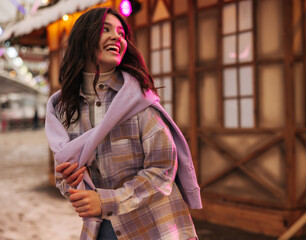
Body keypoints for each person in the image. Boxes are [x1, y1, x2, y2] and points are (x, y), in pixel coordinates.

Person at [45, 7, 202, 240]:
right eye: (105, 29)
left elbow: (162, 170)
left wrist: (106, 200)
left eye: (121, 33)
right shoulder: (63, 109)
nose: (116, 37)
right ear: (82, 38)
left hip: (156, 227)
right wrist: (71, 183)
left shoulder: (138, 101)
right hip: (102, 230)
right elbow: (65, 179)